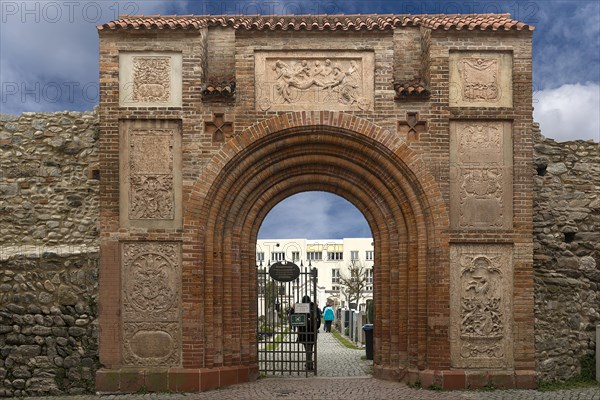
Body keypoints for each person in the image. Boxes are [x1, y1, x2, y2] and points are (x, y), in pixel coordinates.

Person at [293, 295, 321, 371]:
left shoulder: (300, 308)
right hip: (312, 331)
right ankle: (309, 362)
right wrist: (316, 328)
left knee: (307, 348)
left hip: (303, 331)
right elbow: (319, 319)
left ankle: (309, 364)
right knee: (310, 348)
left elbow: (294, 319)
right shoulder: (314, 307)